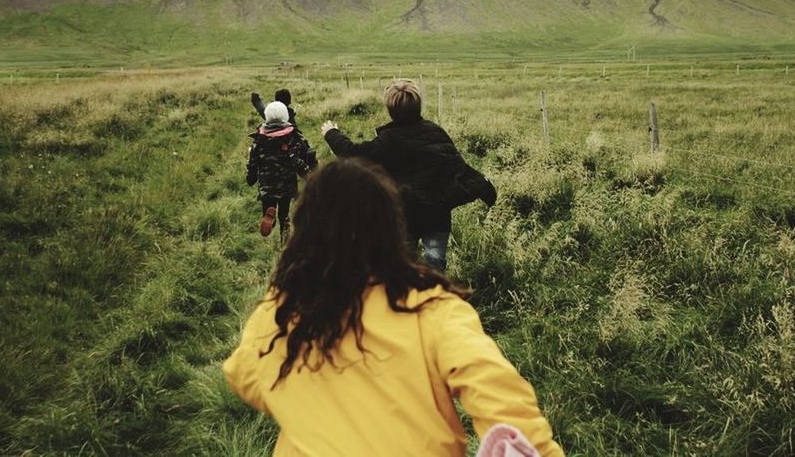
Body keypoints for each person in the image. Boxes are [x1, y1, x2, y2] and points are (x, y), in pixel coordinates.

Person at [222, 158, 563, 457]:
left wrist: (312, 404)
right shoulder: (433, 310)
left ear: (304, 233)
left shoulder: (282, 310)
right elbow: (503, 400)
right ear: (390, 227)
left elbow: (243, 376)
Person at [320, 79, 494, 271]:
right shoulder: (436, 131)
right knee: (435, 267)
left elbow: (353, 154)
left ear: (390, 109)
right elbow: (457, 167)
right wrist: (481, 185)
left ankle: (405, 297)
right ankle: (432, 298)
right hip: (437, 215)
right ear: (418, 105)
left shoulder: (388, 140)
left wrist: (331, 133)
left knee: (401, 268)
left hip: (404, 215)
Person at [246, 101, 315, 239]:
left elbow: (253, 161)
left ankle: (269, 215)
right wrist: (308, 173)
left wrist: (251, 177)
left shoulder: (260, 138)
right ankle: (284, 231)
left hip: (267, 184)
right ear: (285, 116)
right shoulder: (292, 137)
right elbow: (300, 157)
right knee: (285, 212)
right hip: (287, 184)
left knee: (268, 201)